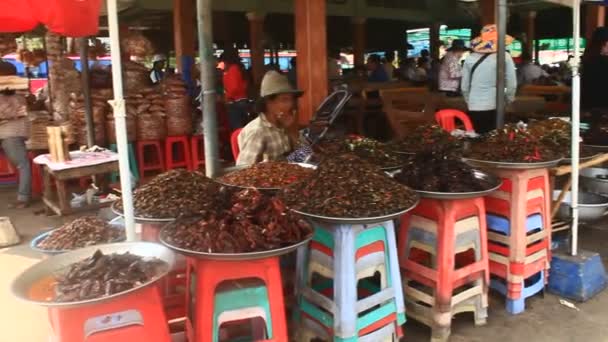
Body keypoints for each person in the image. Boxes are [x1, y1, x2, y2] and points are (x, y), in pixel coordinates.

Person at [237, 70, 302, 166]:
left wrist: (292, 131)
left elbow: (305, 155)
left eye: (291, 100)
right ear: (268, 103)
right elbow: (241, 170)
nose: (290, 104)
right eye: (284, 100)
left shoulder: (285, 124)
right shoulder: (258, 132)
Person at [461, 24, 517, 134]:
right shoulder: (504, 56)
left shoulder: (469, 58)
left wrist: (470, 101)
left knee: (477, 139)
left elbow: (464, 87)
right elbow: (512, 84)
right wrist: (508, 99)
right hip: (494, 104)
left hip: (474, 106)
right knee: (493, 142)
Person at [0, 61, 31, 208]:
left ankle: (23, 198)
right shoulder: (18, 94)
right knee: (21, 165)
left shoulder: (13, 95)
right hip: (12, 133)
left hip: (11, 134)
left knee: (22, 165)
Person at [221, 48, 250, 130]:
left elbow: (234, 87)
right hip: (242, 100)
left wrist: (226, 97)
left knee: (237, 129)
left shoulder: (233, 69)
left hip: (235, 102)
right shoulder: (239, 68)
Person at [581, 27, 608, 112]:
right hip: (602, 107)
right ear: (603, 43)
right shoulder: (602, 61)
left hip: (588, 106)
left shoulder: (588, 59)